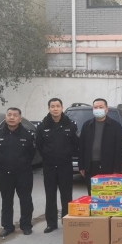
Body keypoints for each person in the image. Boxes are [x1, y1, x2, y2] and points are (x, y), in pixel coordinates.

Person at [0, 108, 36, 238]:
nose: (12, 117)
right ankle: (7, 226)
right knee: (6, 201)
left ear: (20, 119)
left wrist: (21, 164)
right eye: (9, 115)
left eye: (15, 115)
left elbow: (31, 154)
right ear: (5, 117)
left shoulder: (27, 135)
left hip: (23, 174)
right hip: (4, 174)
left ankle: (26, 225)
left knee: (26, 200)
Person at [36, 98, 78, 233]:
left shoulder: (70, 125)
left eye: (58, 106)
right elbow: (39, 145)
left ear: (62, 108)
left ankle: (67, 220)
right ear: (48, 108)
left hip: (65, 166)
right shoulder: (42, 126)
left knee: (67, 195)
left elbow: (75, 144)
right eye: (52, 106)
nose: (55, 109)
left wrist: (66, 154)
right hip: (49, 167)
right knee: (50, 196)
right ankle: (51, 223)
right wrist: (48, 156)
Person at [79, 98, 122, 194]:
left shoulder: (115, 126)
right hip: (90, 167)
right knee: (92, 194)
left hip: (108, 167)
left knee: (106, 194)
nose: (98, 109)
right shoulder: (87, 125)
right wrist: (81, 166)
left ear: (106, 109)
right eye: (95, 107)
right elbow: (82, 147)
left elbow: (119, 149)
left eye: (101, 107)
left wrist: (117, 169)